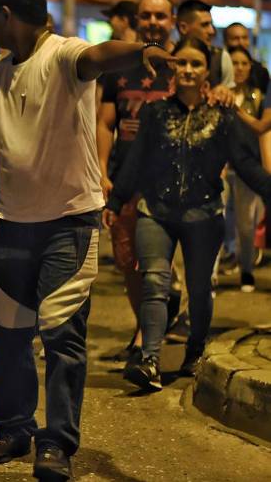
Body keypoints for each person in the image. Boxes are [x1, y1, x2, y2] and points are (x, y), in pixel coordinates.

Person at [0, 0, 173, 480]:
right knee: (9, 336)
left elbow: (99, 56)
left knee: (61, 338)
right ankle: (13, 428)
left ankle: (56, 443)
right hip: (10, 225)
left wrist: (142, 50)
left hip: (68, 225)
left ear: (6, 14)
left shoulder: (63, 55)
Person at [105, 37, 271, 393]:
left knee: (199, 290)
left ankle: (194, 351)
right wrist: (116, 201)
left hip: (203, 214)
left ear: (207, 72)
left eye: (196, 64)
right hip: (156, 210)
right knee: (154, 282)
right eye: (182, 63)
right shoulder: (154, 112)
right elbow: (136, 160)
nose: (188, 70)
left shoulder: (222, 116)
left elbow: (243, 163)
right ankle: (149, 359)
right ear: (172, 68)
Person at [97, 0, 177, 364]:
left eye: (160, 16)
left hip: (171, 184)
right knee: (127, 261)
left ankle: (150, 334)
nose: (152, 22)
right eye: (146, 15)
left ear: (172, 20)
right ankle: (144, 325)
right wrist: (101, 169)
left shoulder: (182, 66)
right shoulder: (120, 67)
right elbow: (104, 122)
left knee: (159, 264)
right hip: (124, 181)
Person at [225, 45, 265, 292]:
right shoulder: (219, 94)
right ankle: (211, 276)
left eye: (243, 63)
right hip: (220, 168)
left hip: (248, 168)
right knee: (217, 220)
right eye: (234, 63)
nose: (239, 68)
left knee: (246, 223)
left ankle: (246, 270)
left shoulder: (257, 97)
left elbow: (262, 132)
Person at [176, 0, 234, 89]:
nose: (211, 31)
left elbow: (230, 95)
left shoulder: (220, 57)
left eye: (211, 24)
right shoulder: (169, 55)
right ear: (183, 28)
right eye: (204, 25)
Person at [224, 22, 270, 93]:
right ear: (225, 41)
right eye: (235, 38)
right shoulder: (217, 66)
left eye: (244, 38)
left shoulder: (260, 71)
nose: (241, 42)